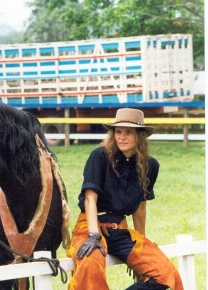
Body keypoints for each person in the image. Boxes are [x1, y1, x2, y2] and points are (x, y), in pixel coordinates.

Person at [66, 108, 183, 290]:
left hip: (120, 230)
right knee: (91, 265)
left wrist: (142, 243)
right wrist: (93, 235)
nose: (122, 137)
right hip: (90, 227)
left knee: (165, 274)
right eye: (118, 132)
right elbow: (90, 198)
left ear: (140, 136)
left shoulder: (151, 166)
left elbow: (140, 207)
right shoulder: (99, 156)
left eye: (129, 132)